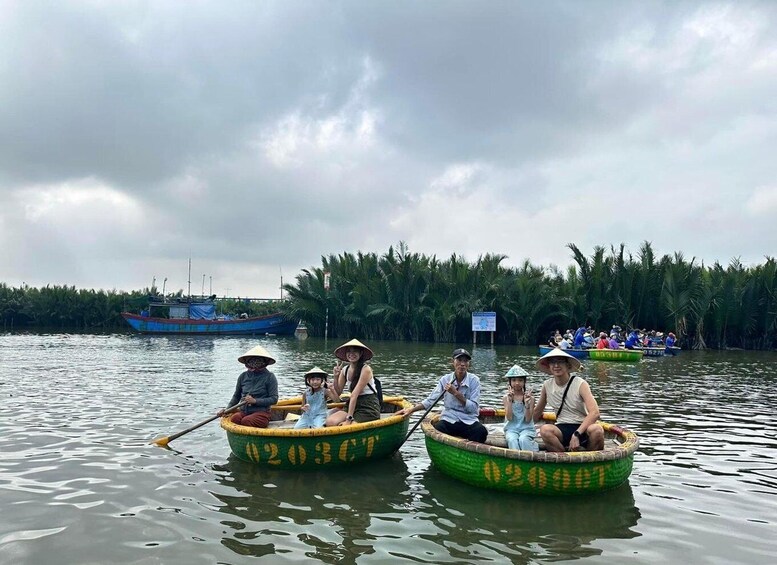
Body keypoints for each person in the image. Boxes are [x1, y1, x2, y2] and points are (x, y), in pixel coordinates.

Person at [397, 348, 488, 443]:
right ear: (452, 362)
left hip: (468, 420)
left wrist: (456, 393)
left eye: (465, 361)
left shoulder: (474, 381)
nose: (462, 364)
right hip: (449, 419)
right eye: (459, 360)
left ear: (468, 364)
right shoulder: (445, 380)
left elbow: (473, 408)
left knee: (481, 432)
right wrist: (411, 410)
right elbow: (430, 401)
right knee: (438, 429)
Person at [533, 348, 604, 452]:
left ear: (568, 365)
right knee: (545, 430)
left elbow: (595, 413)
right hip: (562, 428)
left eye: (560, 361)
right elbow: (537, 411)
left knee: (597, 430)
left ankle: (589, 462)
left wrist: (577, 434)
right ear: (549, 366)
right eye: (553, 362)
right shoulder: (547, 385)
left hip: (583, 427)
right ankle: (564, 461)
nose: (556, 365)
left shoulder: (580, 384)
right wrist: (523, 427)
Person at [219, 345, 279, 428]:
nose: (253, 368)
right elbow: (236, 396)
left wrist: (255, 401)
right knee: (235, 418)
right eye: (251, 364)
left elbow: (274, 399)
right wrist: (227, 410)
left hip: (262, 412)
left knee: (247, 421)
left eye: (257, 364)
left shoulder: (270, 377)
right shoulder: (243, 376)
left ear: (263, 364)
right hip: (245, 411)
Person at [326, 339, 381, 426]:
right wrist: (336, 376)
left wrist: (349, 419)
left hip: (368, 406)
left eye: (355, 351)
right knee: (330, 422)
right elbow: (338, 392)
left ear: (361, 353)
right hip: (352, 404)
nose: (351, 354)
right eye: (349, 351)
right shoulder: (345, 370)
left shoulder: (366, 369)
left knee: (346, 426)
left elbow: (354, 394)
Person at [502, 365, 539, 452]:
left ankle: (530, 460)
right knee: (512, 440)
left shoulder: (531, 398)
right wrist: (510, 401)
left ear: (524, 382)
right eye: (514, 380)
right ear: (510, 382)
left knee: (524, 440)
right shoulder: (505, 398)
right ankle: (516, 463)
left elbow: (528, 419)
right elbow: (509, 418)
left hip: (526, 428)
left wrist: (527, 404)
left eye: (520, 380)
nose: (517, 383)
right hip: (511, 428)